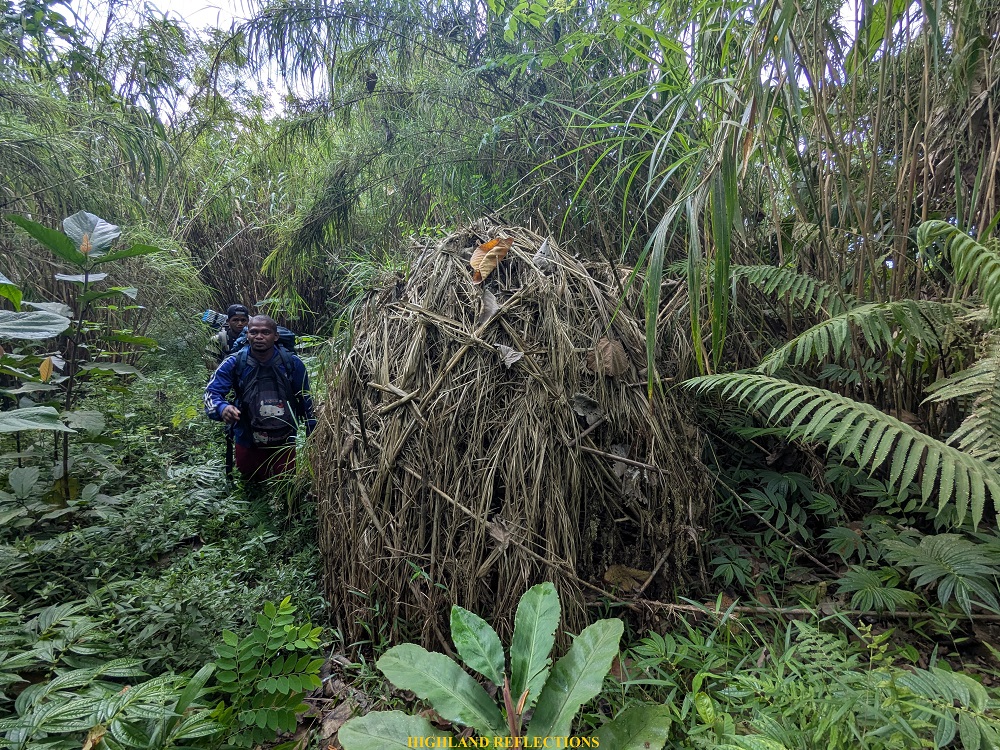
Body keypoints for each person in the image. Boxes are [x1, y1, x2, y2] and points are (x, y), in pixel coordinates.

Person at [204, 315, 315, 481]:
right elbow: (212, 393)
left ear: (275, 336)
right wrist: (222, 408)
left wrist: (312, 433)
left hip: (285, 440)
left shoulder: (292, 363)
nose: (259, 337)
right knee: (250, 483)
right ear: (247, 335)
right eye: (254, 332)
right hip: (247, 438)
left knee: (285, 483)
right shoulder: (234, 362)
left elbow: (306, 399)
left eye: (265, 332)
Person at [204, 304, 251, 370]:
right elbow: (210, 363)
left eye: (243, 320)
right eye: (235, 320)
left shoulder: (252, 339)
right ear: (228, 322)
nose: (240, 323)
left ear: (248, 321)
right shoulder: (218, 339)